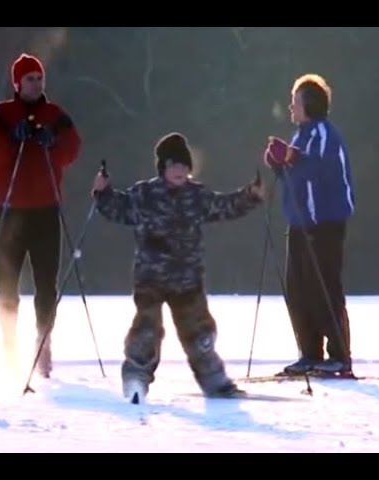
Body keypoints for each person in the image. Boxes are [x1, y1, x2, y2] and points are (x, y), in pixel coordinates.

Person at [92, 132, 265, 402]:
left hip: (187, 279)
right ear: (163, 167)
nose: (180, 171)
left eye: (185, 166)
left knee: (199, 333)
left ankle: (214, 380)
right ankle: (136, 377)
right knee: (147, 330)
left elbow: (224, 206)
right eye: (174, 165)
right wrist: (103, 192)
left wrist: (250, 196)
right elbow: (118, 208)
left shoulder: (196, 195)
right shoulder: (145, 194)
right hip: (151, 278)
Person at [0, 53, 82, 378]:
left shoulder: (55, 115)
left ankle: (43, 342)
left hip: (46, 209)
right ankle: (9, 343)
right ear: (17, 83)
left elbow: (72, 149)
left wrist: (52, 143)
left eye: (39, 78)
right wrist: (13, 138)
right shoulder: (1, 114)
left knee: (46, 283)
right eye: (30, 79)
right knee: (7, 283)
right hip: (10, 210)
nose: (36, 84)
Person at [263, 73, 356, 376]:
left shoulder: (325, 134)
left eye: (295, 102)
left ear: (310, 105)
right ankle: (309, 352)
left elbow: (319, 168)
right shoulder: (300, 135)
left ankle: (339, 356)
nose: (291, 107)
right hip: (300, 222)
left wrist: (290, 157)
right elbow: (297, 176)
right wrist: (280, 164)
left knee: (325, 286)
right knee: (299, 288)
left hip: (325, 222)